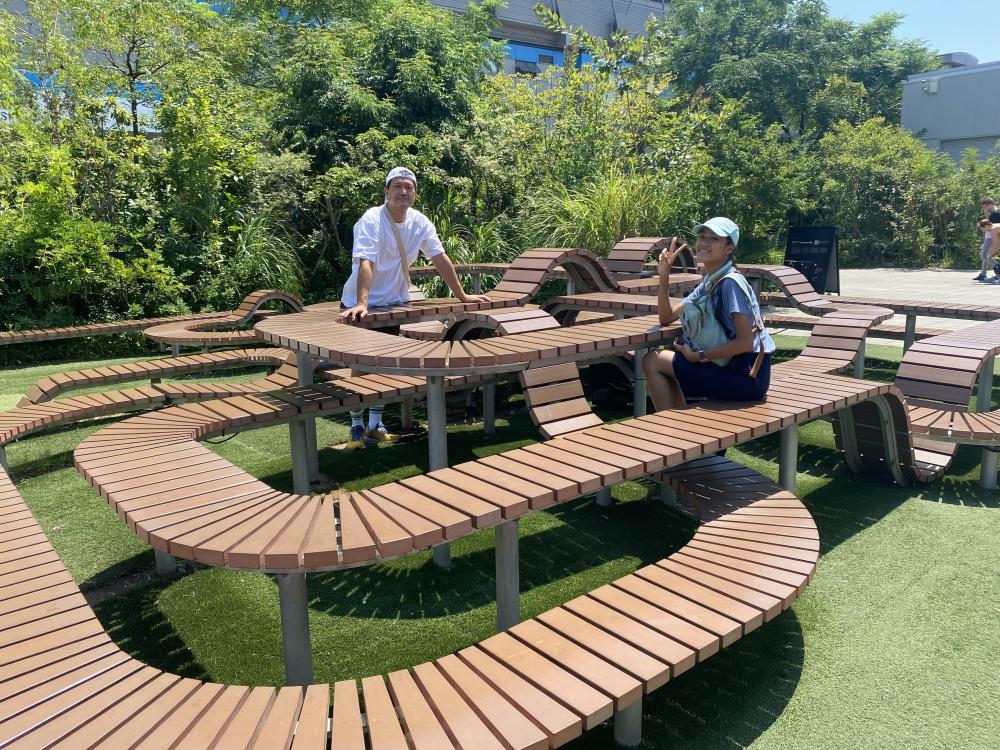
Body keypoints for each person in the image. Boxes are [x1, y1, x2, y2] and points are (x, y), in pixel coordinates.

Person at [336, 166, 490, 449]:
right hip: (360, 305)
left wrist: (462, 295)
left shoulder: (419, 222)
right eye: (397, 186)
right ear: (386, 191)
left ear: (415, 193)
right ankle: (356, 427)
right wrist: (361, 302)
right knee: (360, 366)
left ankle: (375, 425)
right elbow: (365, 261)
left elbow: (439, 258)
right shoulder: (371, 219)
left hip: (392, 304)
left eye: (409, 187)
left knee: (383, 364)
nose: (403, 192)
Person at [642, 217, 776, 411]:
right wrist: (664, 275)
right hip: (731, 368)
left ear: (729, 248)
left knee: (653, 361)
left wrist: (698, 356)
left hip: (747, 375)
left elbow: (745, 343)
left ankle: (667, 426)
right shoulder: (710, 282)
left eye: (714, 238)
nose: (704, 242)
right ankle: (674, 422)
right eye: (702, 236)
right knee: (664, 361)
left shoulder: (730, 283)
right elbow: (667, 317)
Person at [974, 197, 1000, 281]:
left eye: (985, 207)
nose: (984, 209)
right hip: (991, 236)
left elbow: (988, 225)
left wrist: (981, 224)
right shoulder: (992, 212)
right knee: (985, 255)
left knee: (984, 255)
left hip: (991, 236)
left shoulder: (995, 213)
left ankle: (997, 270)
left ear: (990, 204)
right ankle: (983, 274)